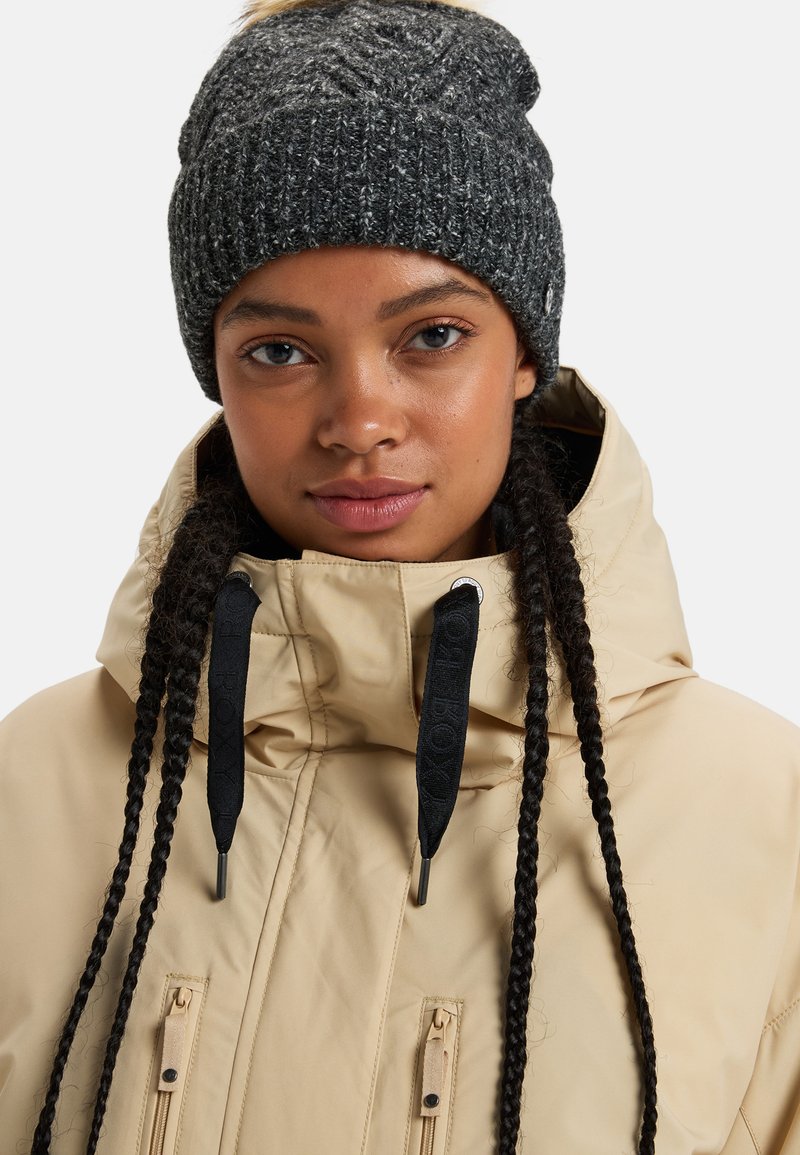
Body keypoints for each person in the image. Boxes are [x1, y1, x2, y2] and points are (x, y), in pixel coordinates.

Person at [1, 1, 799, 1153]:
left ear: (523, 351)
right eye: (279, 352)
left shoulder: (759, 816)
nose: (359, 420)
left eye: (430, 336)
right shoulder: (38, 785)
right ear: (216, 371)